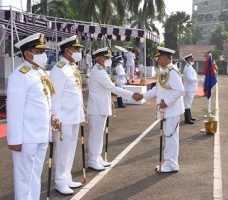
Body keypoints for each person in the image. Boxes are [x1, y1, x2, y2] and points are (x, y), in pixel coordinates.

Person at [7, 33, 58, 200]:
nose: (43, 55)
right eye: (38, 51)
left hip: (41, 134)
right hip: (26, 137)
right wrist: (14, 140)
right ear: (27, 53)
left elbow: (44, 101)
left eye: (43, 51)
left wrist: (51, 118)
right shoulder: (20, 75)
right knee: (23, 179)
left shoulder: (40, 73)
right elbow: (14, 109)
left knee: (35, 175)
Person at [133, 46, 184, 173]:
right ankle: (168, 162)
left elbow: (180, 89)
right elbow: (158, 89)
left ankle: (172, 164)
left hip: (171, 110)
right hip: (166, 110)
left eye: (159, 57)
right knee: (168, 136)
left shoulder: (172, 71)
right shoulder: (164, 70)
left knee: (170, 137)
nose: (157, 60)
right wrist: (143, 96)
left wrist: (166, 102)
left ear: (166, 57)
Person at [87, 47, 135, 170]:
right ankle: (92, 160)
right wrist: (132, 94)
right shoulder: (98, 71)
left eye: (108, 58)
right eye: (105, 57)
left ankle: (97, 158)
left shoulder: (101, 70)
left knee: (99, 135)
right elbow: (112, 88)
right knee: (95, 136)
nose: (108, 60)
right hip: (97, 108)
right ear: (98, 58)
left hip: (100, 107)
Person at [50, 35, 85, 195]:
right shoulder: (59, 69)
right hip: (64, 118)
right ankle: (59, 180)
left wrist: (81, 113)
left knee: (71, 148)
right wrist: (56, 118)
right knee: (62, 150)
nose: (79, 52)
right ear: (67, 50)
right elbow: (55, 97)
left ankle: (67, 176)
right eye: (77, 49)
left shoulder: (72, 67)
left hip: (74, 116)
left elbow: (76, 93)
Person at [183, 54, 200, 124]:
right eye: (192, 59)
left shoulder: (190, 67)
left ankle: (189, 117)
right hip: (189, 89)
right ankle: (187, 119)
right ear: (188, 60)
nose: (193, 60)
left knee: (188, 103)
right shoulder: (187, 67)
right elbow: (189, 78)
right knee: (187, 104)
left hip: (191, 88)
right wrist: (197, 80)